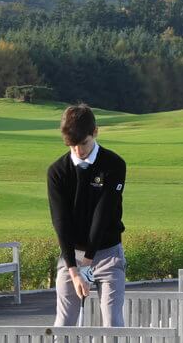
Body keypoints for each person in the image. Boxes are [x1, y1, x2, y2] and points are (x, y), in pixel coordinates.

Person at [47, 104, 127, 327]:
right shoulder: (57, 171)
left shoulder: (114, 164)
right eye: (73, 145)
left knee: (112, 322)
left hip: (108, 254)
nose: (79, 151)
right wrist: (74, 270)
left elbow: (103, 215)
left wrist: (87, 264)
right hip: (71, 255)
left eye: (83, 143)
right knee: (64, 323)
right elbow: (60, 222)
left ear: (95, 133)